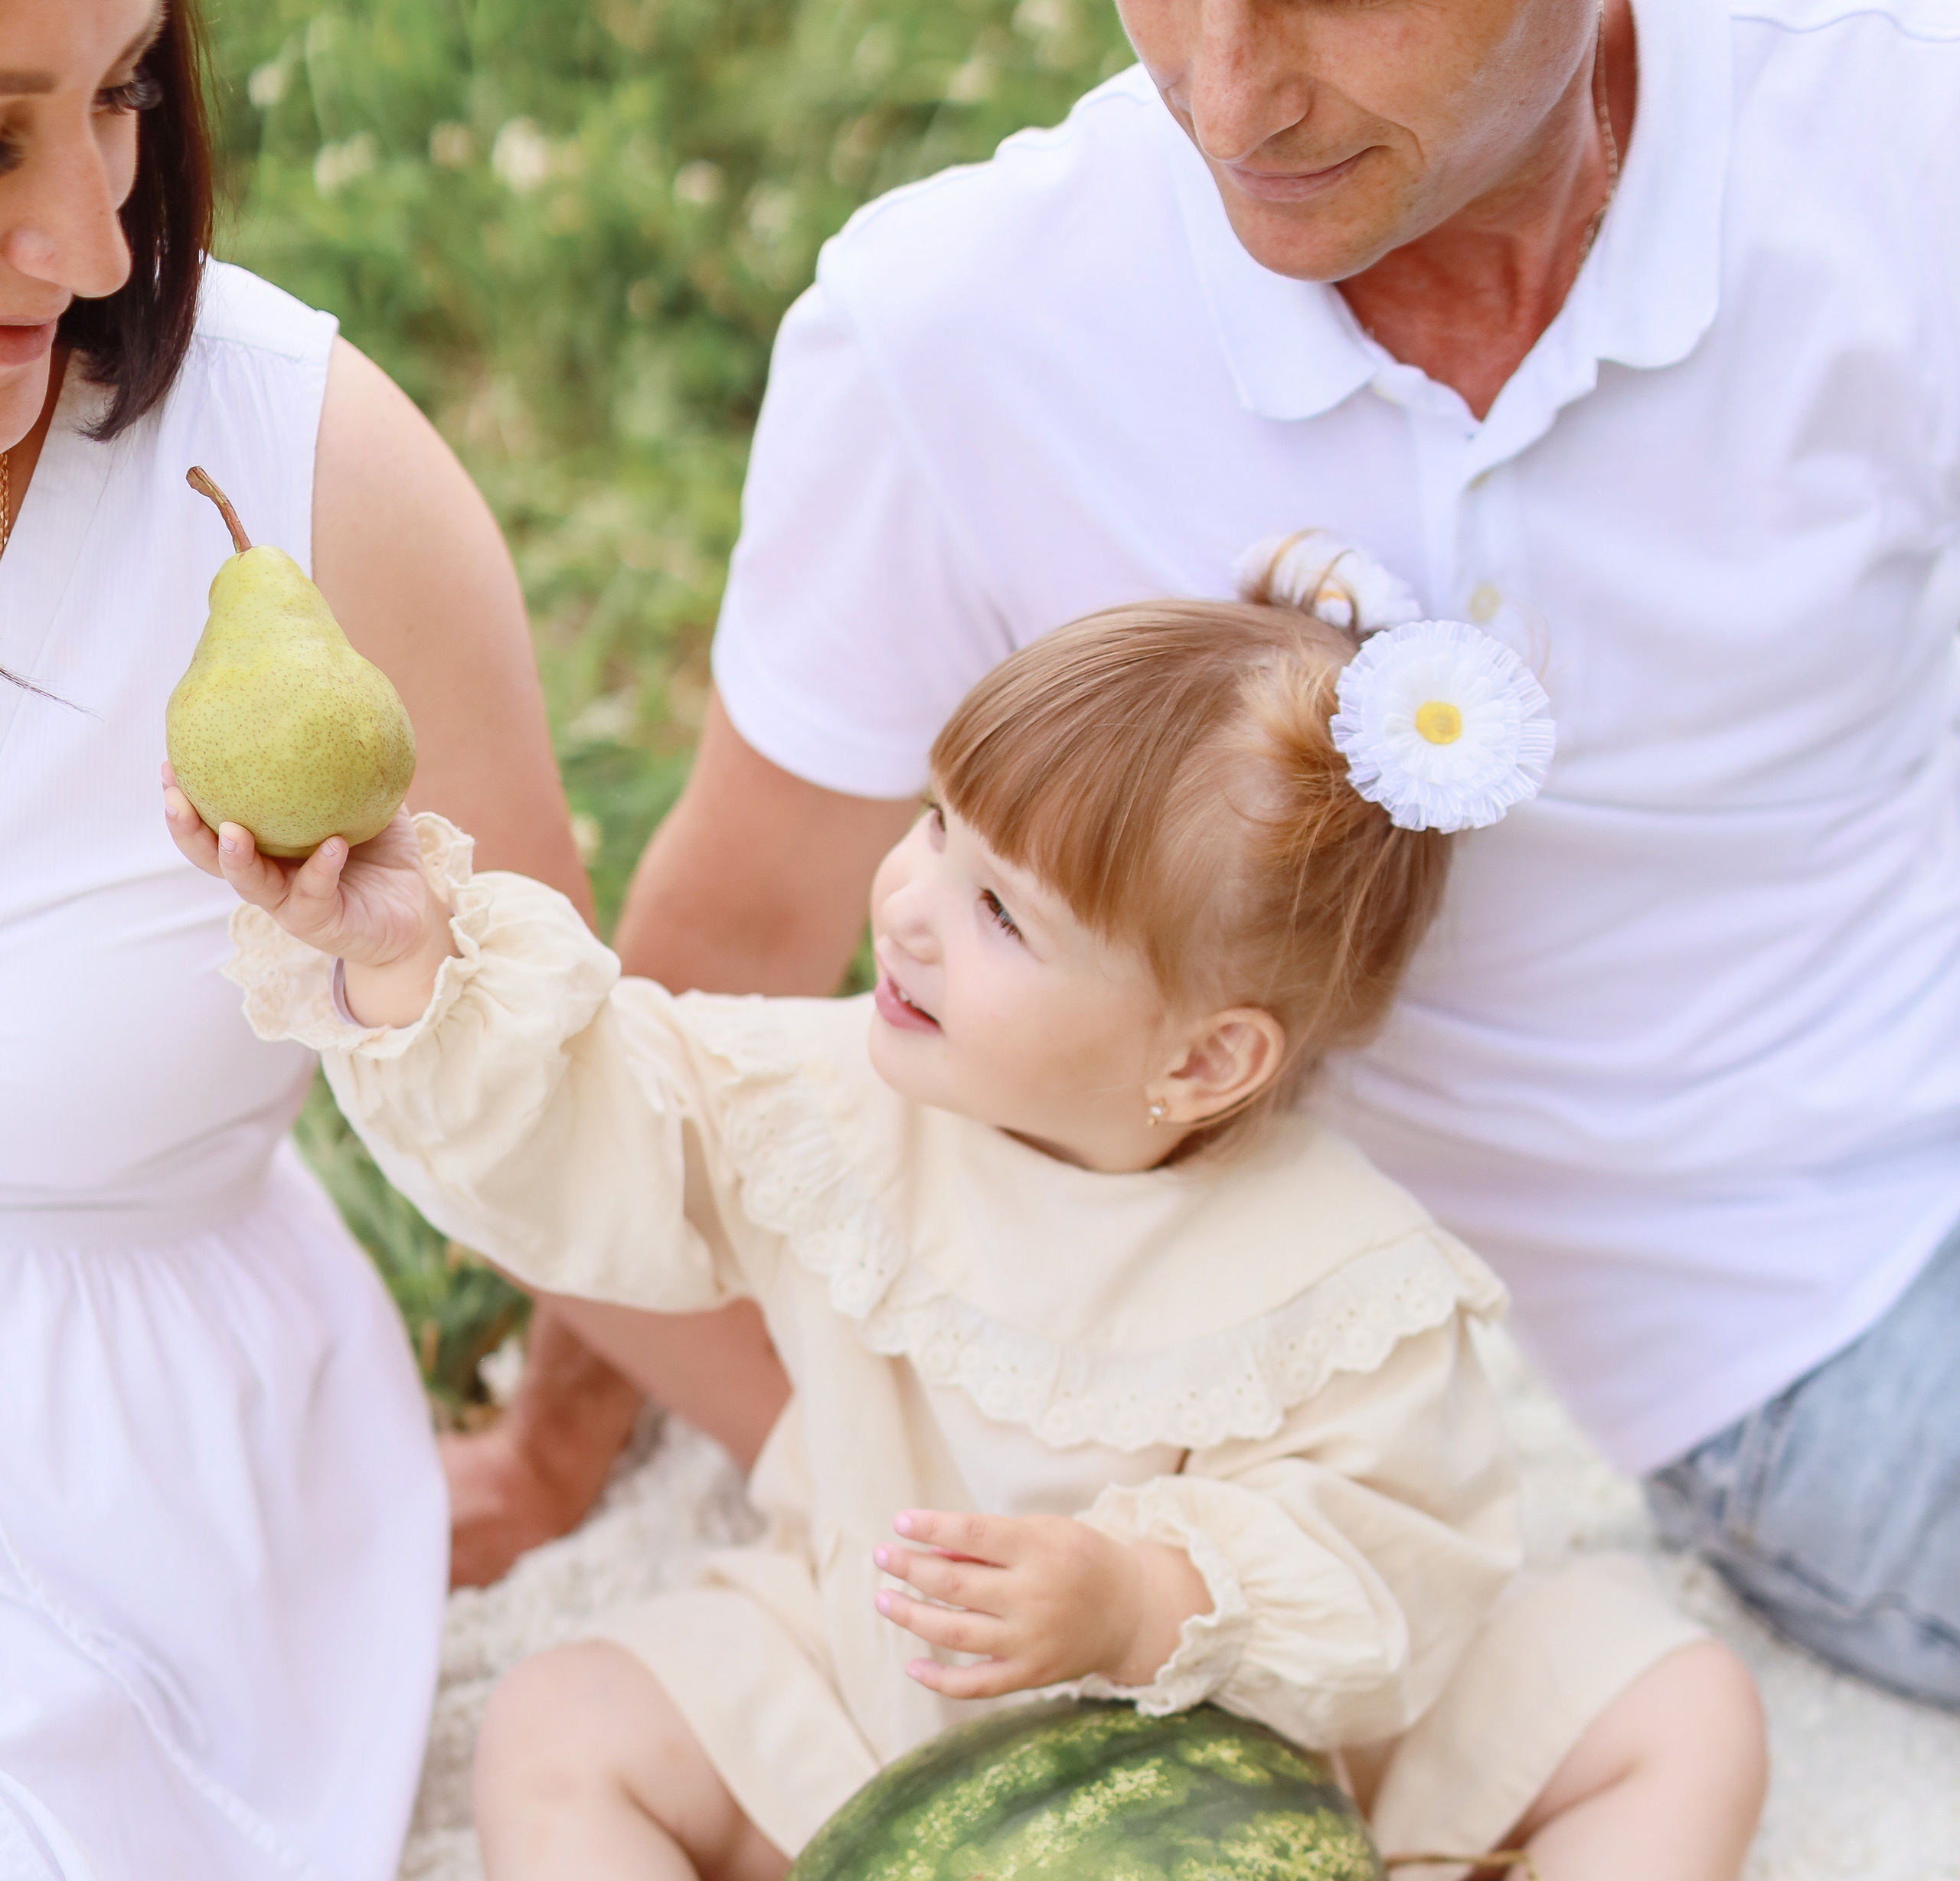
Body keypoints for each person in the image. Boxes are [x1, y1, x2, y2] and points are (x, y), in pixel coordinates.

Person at [171, 557, 1766, 1881]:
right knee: (561, 1726)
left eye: (1002, 911)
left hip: (1231, 1804)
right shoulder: (836, 1104)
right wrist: (401, 958)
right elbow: (595, 1128)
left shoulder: (1334, 1273)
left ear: (1205, 1058)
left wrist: (1145, 1594)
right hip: (873, 1701)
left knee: (1678, 1709)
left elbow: (1393, 1561)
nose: (912, 907)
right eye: (937, 824)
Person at [455, 0, 1960, 1714]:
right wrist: (559, 1444)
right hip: (1805, 1309)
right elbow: (719, 972)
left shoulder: (1895, 118)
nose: (1228, 100)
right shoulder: (959, 335)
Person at [0, 0, 590, 1881]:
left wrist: (581, 1431)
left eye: (125, 98)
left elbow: (574, 1088)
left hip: (107, 1497)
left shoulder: (291, 459)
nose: (95, 234)